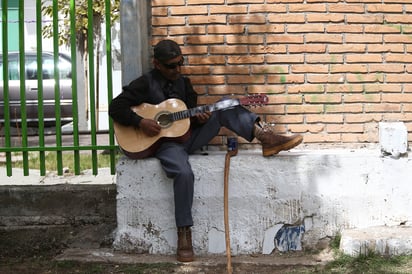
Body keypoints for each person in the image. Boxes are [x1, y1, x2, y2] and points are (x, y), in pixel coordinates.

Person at [109, 39, 303, 262]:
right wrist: (140, 122)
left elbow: (184, 122)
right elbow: (116, 107)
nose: (178, 70)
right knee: (184, 173)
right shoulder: (144, 84)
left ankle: (265, 136)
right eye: (172, 66)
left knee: (224, 105)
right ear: (157, 64)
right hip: (165, 145)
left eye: (180, 63)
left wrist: (200, 119)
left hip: (187, 138)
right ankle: (184, 233)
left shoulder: (185, 84)